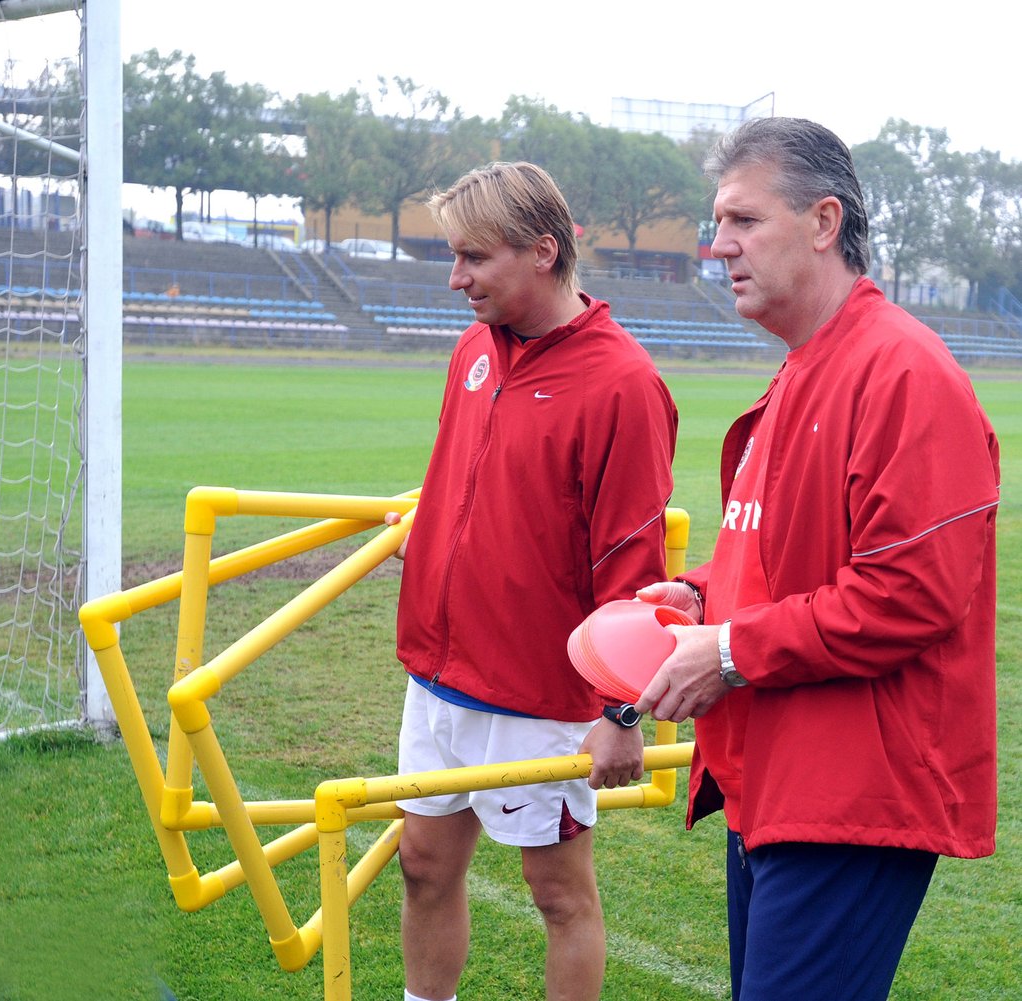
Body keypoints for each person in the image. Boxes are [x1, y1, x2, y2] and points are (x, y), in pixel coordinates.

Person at [633, 117, 1000, 1001]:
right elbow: (782, 560)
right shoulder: (804, 369)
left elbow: (908, 594)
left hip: (854, 795)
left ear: (824, 221)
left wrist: (726, 651)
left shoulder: (902, 372)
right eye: (717, 223)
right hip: (779, 778)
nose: (717, 246)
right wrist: (699, 598)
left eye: (743, 221)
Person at [386, 161, 678, 1001]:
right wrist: (436, 534)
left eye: (474, 257)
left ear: (543, 251)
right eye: (454, 256)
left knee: (558, 894)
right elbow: (470, 478)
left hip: (540, 695)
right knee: (422, 867)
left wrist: (621, 713)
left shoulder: (623, 383)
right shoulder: (473, 348)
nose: (456, 278)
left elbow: (634, 569)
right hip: (438, 675)